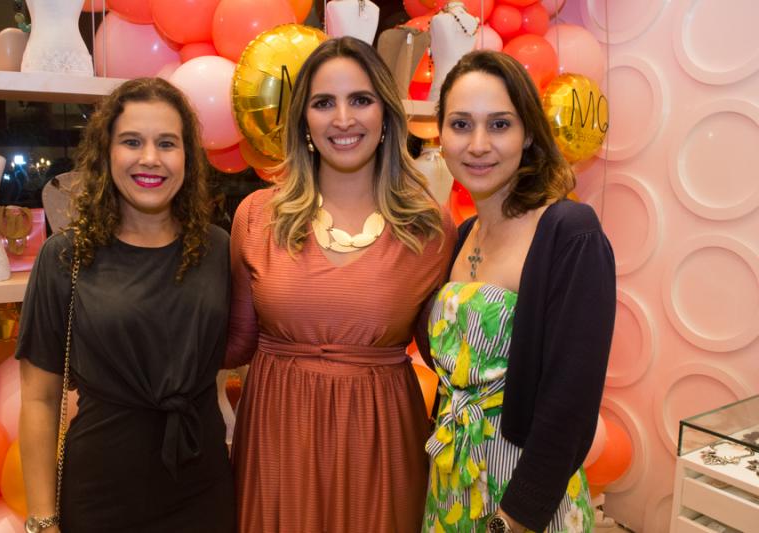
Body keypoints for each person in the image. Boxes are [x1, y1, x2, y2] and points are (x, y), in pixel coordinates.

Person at [226, 36, 456, 533]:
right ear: (303, 120)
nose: (344, 118)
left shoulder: (429, 227)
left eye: (361, 99)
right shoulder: (257, 217)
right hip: (278, 442)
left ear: (386, 114)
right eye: (324, 103)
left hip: (381, 445)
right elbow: (234, 343)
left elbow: (447, 355)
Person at [17, 77, 235, 533]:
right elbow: (39, 399)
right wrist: (41, 521)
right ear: (106, 153)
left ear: (188, 157)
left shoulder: (218, 249)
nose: (150, 158)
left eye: (167, 143)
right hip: (102, 493)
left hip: (203, 487)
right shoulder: (65, 256)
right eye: (132, 141)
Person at [422, 51, 616, 533]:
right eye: (461, 124)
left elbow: (570, 402)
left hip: (524, 496)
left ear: (528, 133)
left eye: (500, 124)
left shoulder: (570, 232)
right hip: (451, 483)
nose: (478, 145)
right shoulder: (462, 235)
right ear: (441, 135)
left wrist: (514, 518)